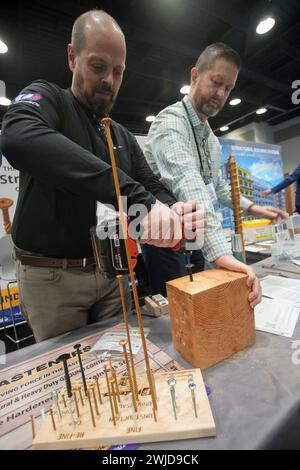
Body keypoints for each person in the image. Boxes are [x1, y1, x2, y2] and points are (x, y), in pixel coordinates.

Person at [0, 10, 205, 342]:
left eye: (118, 71)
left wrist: (175, 208)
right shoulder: (49, 100)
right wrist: (132, 195)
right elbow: (17, 136)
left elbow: (150, 186)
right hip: (53, 280)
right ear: (72, 57)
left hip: (113, 273)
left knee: (119, 367)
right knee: (73, 383)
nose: (109, 80)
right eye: (98, 67)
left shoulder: (121, 135)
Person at [144, 43, 287, 304]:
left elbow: (218, 187)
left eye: (228, 88)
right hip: (166, 243)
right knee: (175, 312)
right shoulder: (171, 122)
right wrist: (222, 253)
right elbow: (190, 184)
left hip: (195, 237)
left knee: (201, 305)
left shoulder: (210, 138)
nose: (221, 93)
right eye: (216, 82)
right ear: (195, 76)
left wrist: (255, 208)